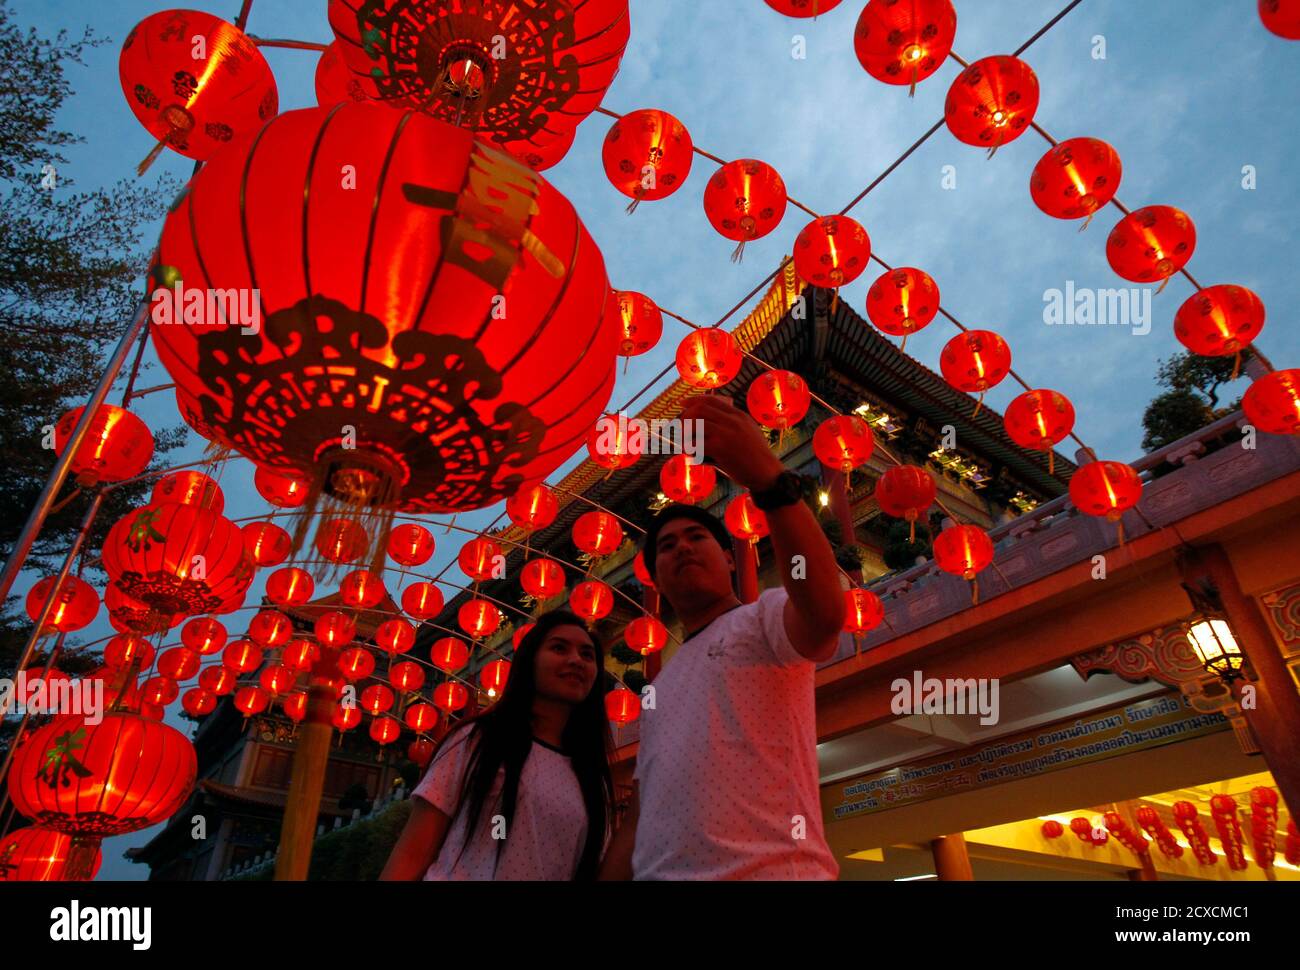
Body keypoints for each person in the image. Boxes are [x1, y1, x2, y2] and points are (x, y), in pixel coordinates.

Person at [599, 393, 846, 880]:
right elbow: (641, 813)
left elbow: (824, 616)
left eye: (696, 538)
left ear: (732, 557)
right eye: (666, 547)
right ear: (656, 578)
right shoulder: (659, 689)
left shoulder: (765, 619)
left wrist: (771, 483)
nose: (681, 549)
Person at [381, 610, 613, 880]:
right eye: (559, 648)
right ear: (529, 662)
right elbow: (413, 853)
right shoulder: (477, 740)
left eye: (587, 655)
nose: (575, 660)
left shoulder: (592, 774)